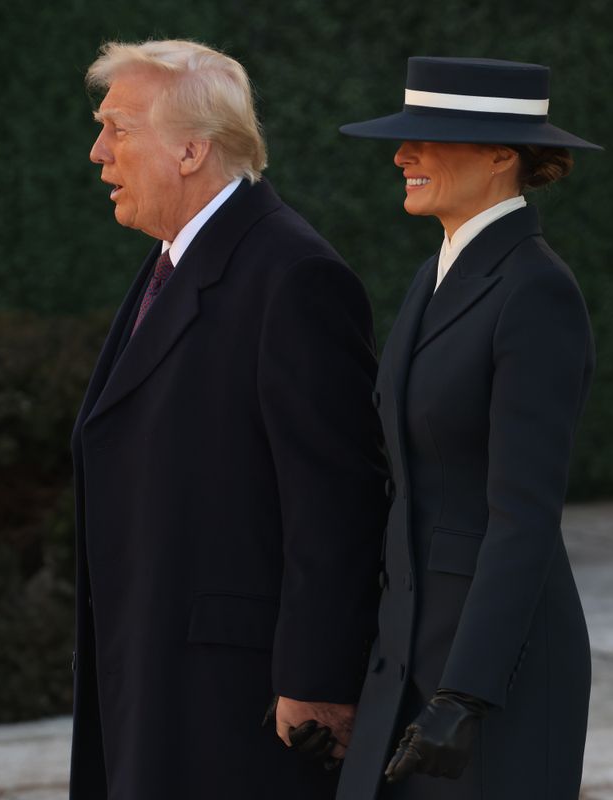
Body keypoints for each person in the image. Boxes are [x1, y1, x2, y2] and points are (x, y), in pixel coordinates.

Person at [69, 39, 388, 800]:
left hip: (233, 700)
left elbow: (336, 500)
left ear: (190, 150)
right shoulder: (177, 260)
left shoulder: (293, 276)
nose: (97, 152)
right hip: (159, 670)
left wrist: (317, 680)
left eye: (118, 128)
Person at [334, 57, 603, 799]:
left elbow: (523, 516)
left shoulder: (536, 289)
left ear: (499, 157)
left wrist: (466, 696)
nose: (401, 156)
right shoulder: (435, 275)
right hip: (409, 661)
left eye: (430, 139)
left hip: (491, 677)